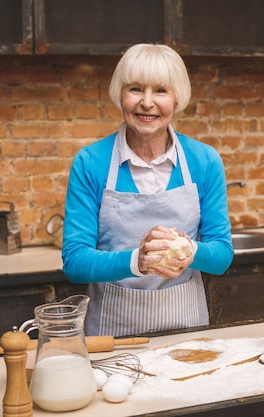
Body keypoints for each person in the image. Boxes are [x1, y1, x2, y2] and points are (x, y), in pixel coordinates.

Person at [61, 43, 234, 337]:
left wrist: (189, 251)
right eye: (136, 89)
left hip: (186, 328)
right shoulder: (91, 162)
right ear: (121, 95)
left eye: (161, 91)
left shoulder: (204, 161)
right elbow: (75, 260)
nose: (147, 103)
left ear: (177, 98)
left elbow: (222, 255)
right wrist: (136, 261)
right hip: (113, 333)